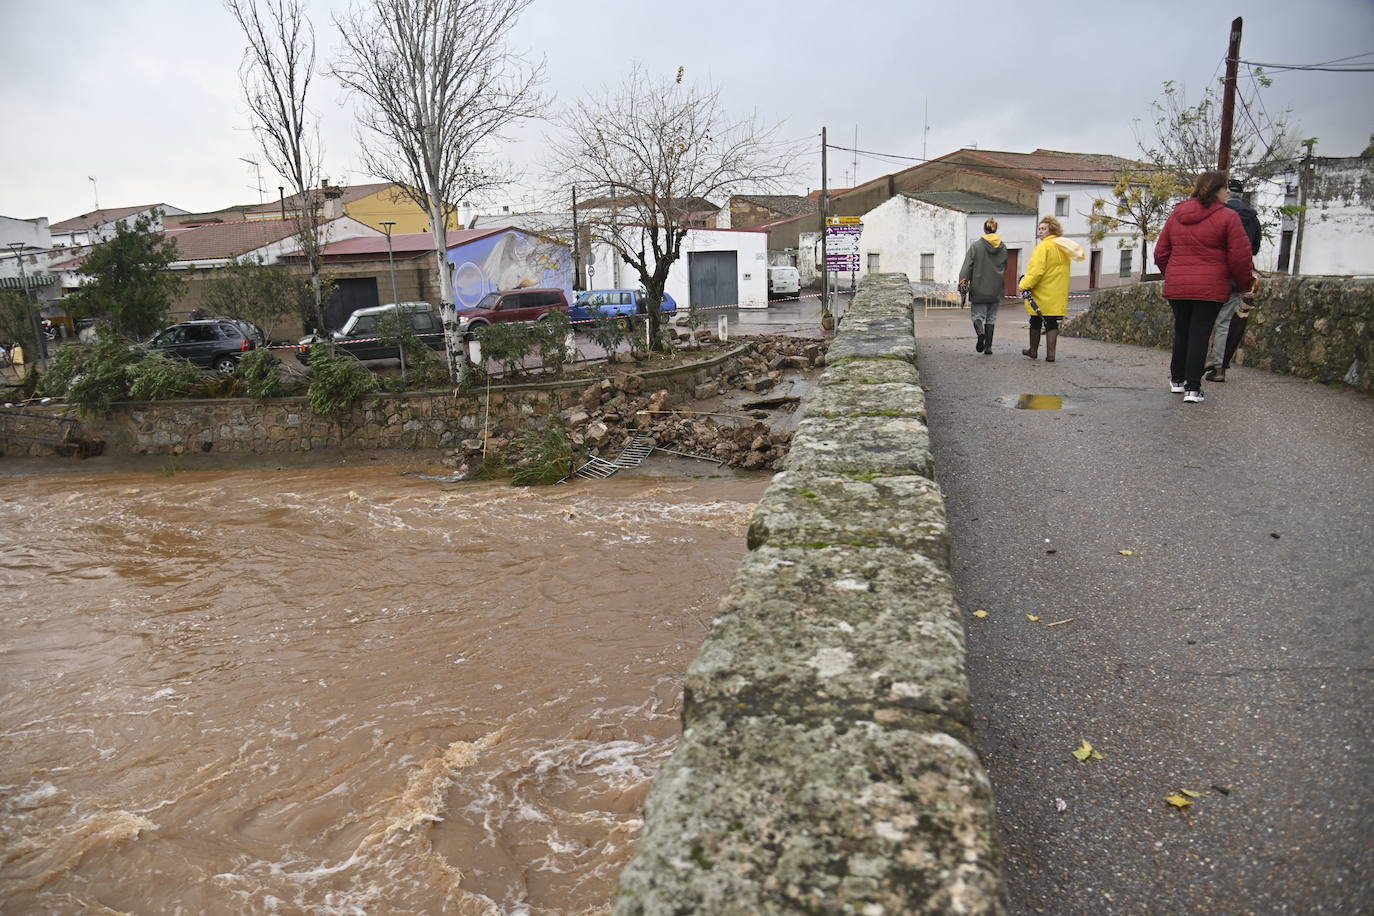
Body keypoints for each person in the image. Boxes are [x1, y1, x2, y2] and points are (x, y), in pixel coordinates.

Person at [1154, 171, 1255, 404]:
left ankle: (1177, 380)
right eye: (1224, 188)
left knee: (1182, 331)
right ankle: (1193, 388)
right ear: (1215, 190)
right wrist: (1243, 285)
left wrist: (1173, 274)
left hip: (1178, 285)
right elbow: (1240, 257)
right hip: (1210, 287)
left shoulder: (1176, 215)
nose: (1228, 192)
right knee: (1200, 333)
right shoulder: (1228, 217)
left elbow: (1161, 252)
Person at [1204, 178, 1262, 382]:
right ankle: (1219, 368)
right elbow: (1254, 249)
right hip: (1237, 278)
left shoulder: (1218, 214)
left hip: (1214, 275)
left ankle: (1197, 363)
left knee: (1204, 321)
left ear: (1226, 192)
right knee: (1224, 323)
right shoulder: (1252, 218)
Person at [1018, 216, 1084, 362]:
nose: (1040, 232)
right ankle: (1051, 354)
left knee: (1035, 320)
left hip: (1042, 292)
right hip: (1057, 292)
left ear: (1051, 230)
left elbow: (1036, 271)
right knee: (1051, 322)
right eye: (1039, 229)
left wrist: (1024, 285)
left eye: (1043, 229)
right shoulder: (1063, 246)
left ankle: (1033, 350)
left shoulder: (1043, 247)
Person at [958, 217, 1008, 355]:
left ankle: (980, 334)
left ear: (984, 229)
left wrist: (962, 281)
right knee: (991, 318)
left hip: (979, 288)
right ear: (995, 229)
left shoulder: (977, 246)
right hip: (996, 288)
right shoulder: (1003, 247)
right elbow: (1005, 266)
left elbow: (967, 266)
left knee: (977, 317)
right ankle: (988, 347)